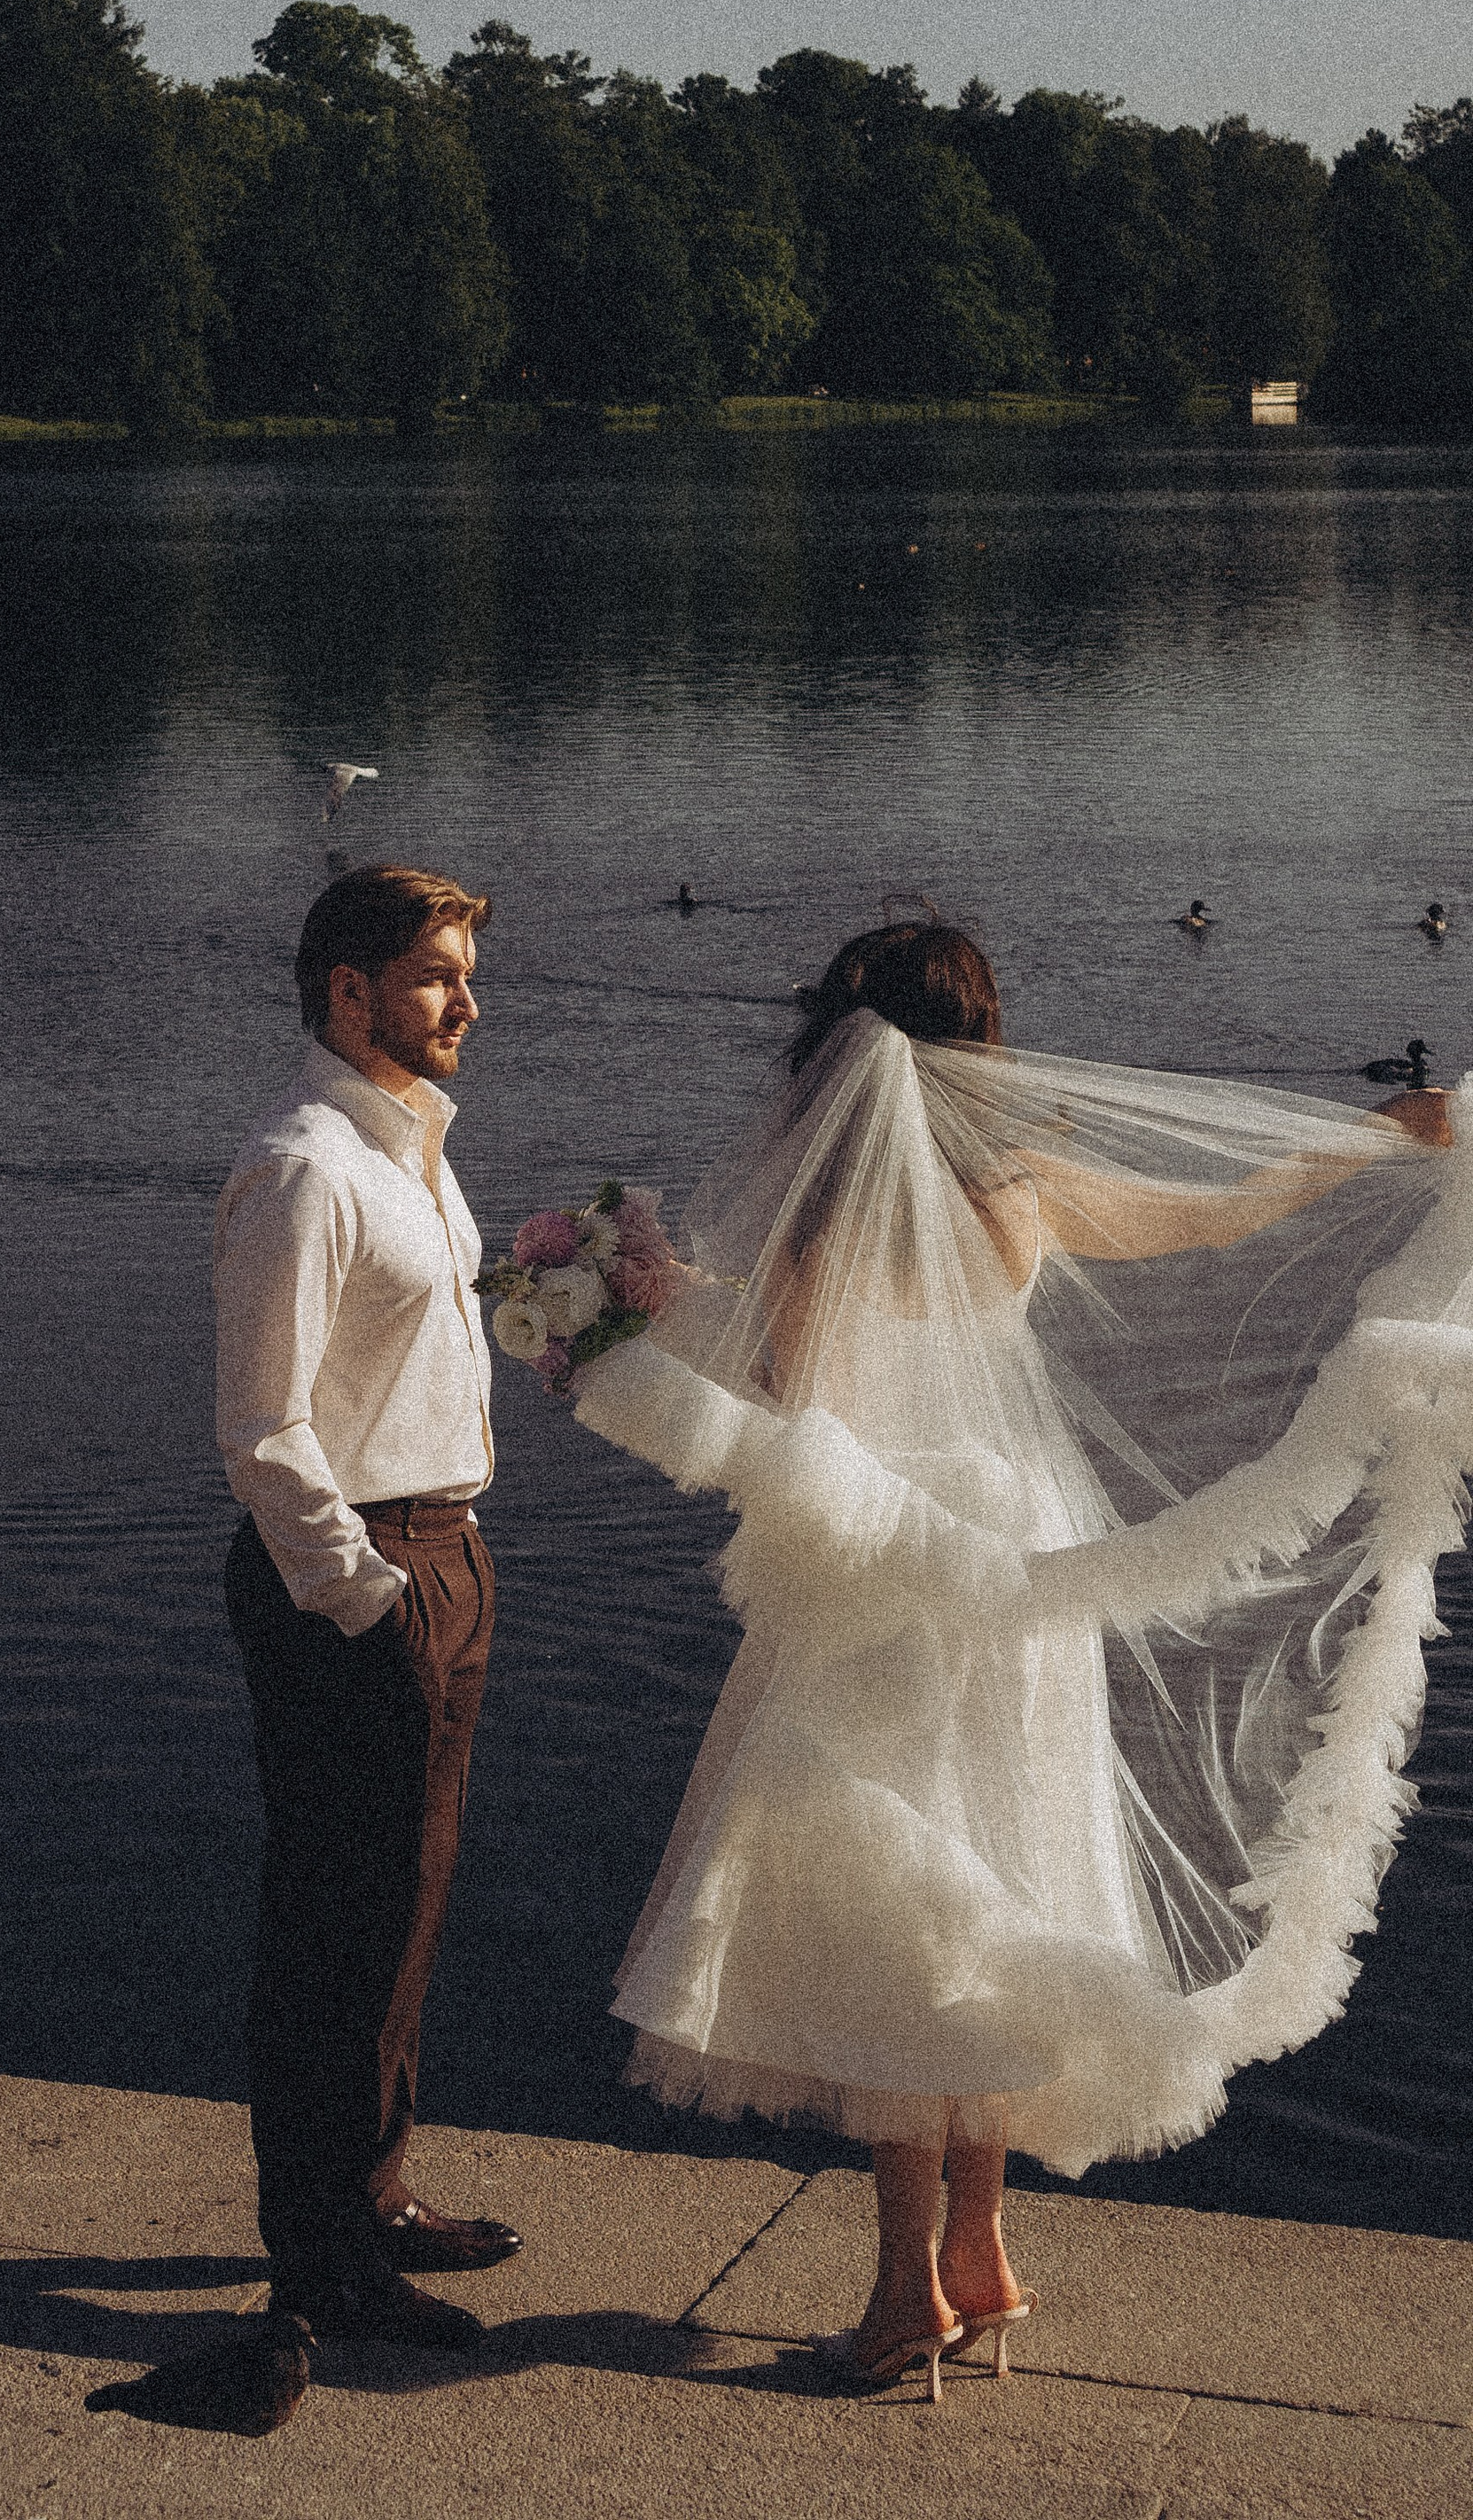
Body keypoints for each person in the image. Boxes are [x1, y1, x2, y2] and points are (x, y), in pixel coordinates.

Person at [566, 919, 1473, 2401]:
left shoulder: (820, 1218)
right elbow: (1221, 1212)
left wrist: (627, 1319)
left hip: (882, 1566)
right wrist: (1377, 1137)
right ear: (976, 1048)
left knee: (898, 1909)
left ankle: (899, 2292)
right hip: (1025, 1558)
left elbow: (788, 1402)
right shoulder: (1023, 1190)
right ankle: (982, 2257)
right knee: (1016, 1864)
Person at [215, 862, 522, 2352]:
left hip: (442, 1551)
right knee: (337, 1920)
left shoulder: (413, 1151)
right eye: (434, 976)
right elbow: (265, 1431)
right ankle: (319, 2256)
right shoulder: (304, 1167)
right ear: (348, 993)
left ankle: (374, 2194)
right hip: (357, 1577)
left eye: (464, 972)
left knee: (408, 1906)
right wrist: (368, 1598)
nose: (468, 1000)